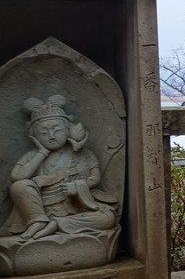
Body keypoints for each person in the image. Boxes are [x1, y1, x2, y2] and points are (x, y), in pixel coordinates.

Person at [4, 95, 117, 240]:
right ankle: (38, 221)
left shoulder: (82, 153)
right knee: (19, 186)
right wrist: (42, 153)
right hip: (42, 209)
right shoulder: (32, 156)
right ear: (34, 136)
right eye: (44, 133)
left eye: (57, 130)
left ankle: (58, 224)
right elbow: (17, 177)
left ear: (68, 130)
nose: (51, 136)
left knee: (108, 218)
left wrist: (78, 186)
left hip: (75, 208)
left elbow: (95, 177)